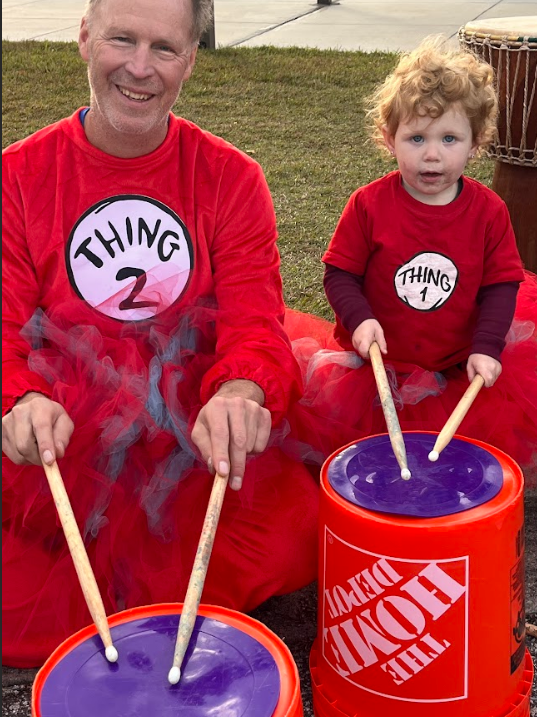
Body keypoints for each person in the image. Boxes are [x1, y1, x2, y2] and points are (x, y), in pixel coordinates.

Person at [2, 0, 318, 667]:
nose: (140, 69)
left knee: (293, 538)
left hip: (185, 441)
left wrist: (239, 391)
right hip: (64, 442)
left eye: (164, 49)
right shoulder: (17, 177)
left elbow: (254, 327)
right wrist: (20, 400)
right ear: (85, 37)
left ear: (192, 58)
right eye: (122, 39)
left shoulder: (232, 178)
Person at [286, 36, 537, 475]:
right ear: (389, 139)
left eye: (450, 138)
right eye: (416, 137)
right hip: (379, 367)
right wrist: (360, 319)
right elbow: (340, 274)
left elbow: (501, 285)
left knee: (455, 461)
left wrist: (488, 347)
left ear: (476, 143)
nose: (433, 154)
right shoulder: (368, 204)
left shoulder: (489, 211)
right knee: (370, 459)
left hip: (457, 360)